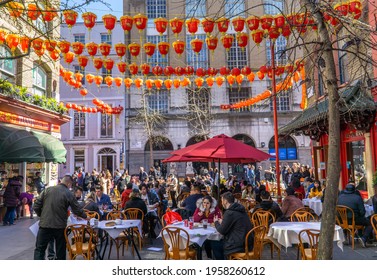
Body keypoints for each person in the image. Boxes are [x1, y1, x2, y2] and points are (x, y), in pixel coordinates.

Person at [33, 175, 88, 260]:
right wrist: (85, 217)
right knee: (60, 250)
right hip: (59, 226)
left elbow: (36, 206)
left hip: (45, 225)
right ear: (69, 183)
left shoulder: (47, 190)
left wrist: (42, 215)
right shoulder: (68, 193)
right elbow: (76, 209)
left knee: (40, 249)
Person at [214, 192, 252, 258]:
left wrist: (216, 222)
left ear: (225, 201)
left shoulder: (229, 213)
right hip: (248, 242)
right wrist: (223, 221)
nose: (221, 202)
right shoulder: (240, 209)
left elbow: (221, 231)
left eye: (222, 200)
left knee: (215, 244)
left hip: (238, 245)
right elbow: (236, 223)